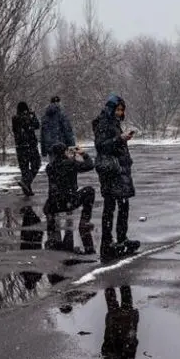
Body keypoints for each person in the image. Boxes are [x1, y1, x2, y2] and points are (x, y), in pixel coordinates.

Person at [92, 94, 139, 262]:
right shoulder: (104, 123)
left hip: (119, 168)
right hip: (112, 170)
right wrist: (119, 139)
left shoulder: (112, 123)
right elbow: (101, 146)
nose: (120, 113)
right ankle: (108, 242)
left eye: (122, 110)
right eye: (118, 109)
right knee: (112, 206)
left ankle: (120, 238)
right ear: (111, 109)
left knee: (122, 204)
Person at [43, 142, 97, 254]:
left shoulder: (49, 167)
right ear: (64, 152)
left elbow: (60, 168)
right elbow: (89, 165)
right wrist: (83, 154)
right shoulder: (71, 164)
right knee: (90, 191)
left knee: (50, 203)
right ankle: (84, 221)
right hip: (69, 202)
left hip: (53, 205)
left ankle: (51, 224)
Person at [11, 102, 41, 197]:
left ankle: (27, 189)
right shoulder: (27, 118)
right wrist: (33, 115)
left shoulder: (15, 119)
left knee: (24, 169)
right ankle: (26, 182)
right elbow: (36, 125)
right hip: (30, 146)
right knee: (36, 164)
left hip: (20, 147)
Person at [40, 96, 75, 162]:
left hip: (50, 147)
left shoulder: (45, 117)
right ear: (59, 103)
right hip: (62, 146)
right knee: (64, 167)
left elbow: (43, 135)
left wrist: (43, 151)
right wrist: (72, 146)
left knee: (54, 167)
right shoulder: (62, 115)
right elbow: (68, 132)